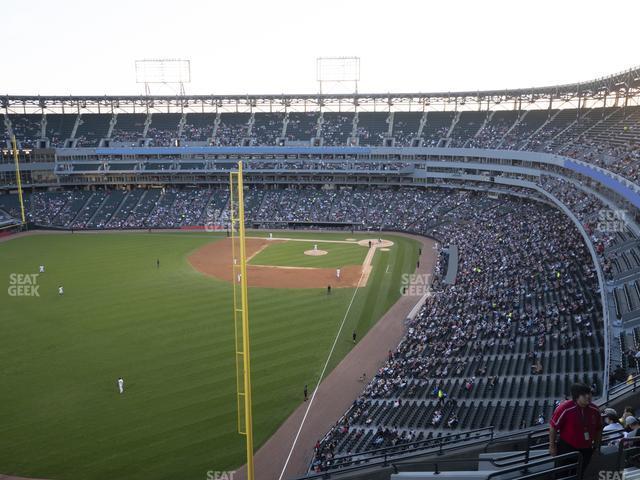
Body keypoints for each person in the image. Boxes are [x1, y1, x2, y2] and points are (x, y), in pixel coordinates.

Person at [549, 383, 601, 475]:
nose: (588, 396)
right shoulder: (564, 408)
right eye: (584, 394)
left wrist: (596, 447)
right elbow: (553, 427)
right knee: (561, 473)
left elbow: (598, 429)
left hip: (586, 449)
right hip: (566, 447)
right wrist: (552, 446)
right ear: (576, 396)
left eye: (589, 393)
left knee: (579, 473)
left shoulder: (595, 410)